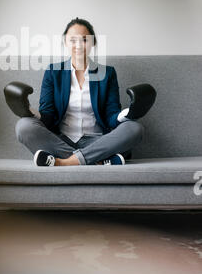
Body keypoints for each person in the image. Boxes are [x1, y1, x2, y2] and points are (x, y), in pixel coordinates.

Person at [15, 17, 144, 167]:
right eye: (73, 40)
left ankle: (62, 162)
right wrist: (29, 111)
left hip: (97, 141)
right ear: (65, 42)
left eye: (84, 40)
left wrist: (128, 113)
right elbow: (48, 116)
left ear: (93, 42)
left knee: (135, 128)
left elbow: (111, 116)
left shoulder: (107, 73)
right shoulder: (53, 72)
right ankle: (99, 161)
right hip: (61, 141)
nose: (79, 45)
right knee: (24, 126)